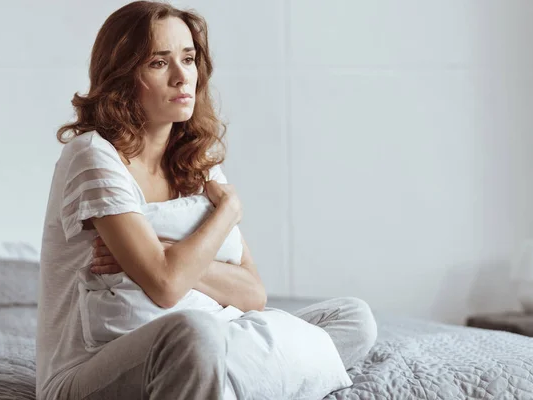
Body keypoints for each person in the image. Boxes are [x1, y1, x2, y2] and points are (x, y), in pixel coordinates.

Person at [36, 2, 377, 399]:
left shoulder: (195, 159)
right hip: (92, 367)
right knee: (195, 333)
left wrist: (168, 252)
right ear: (123, 76)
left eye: (189, 58)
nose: (183, 77)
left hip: (212, 333)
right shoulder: (92, 155)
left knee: (352, 319)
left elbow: (252, 293)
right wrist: (227, 212)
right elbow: (166, 285)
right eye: (159, 63)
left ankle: (219, 381)